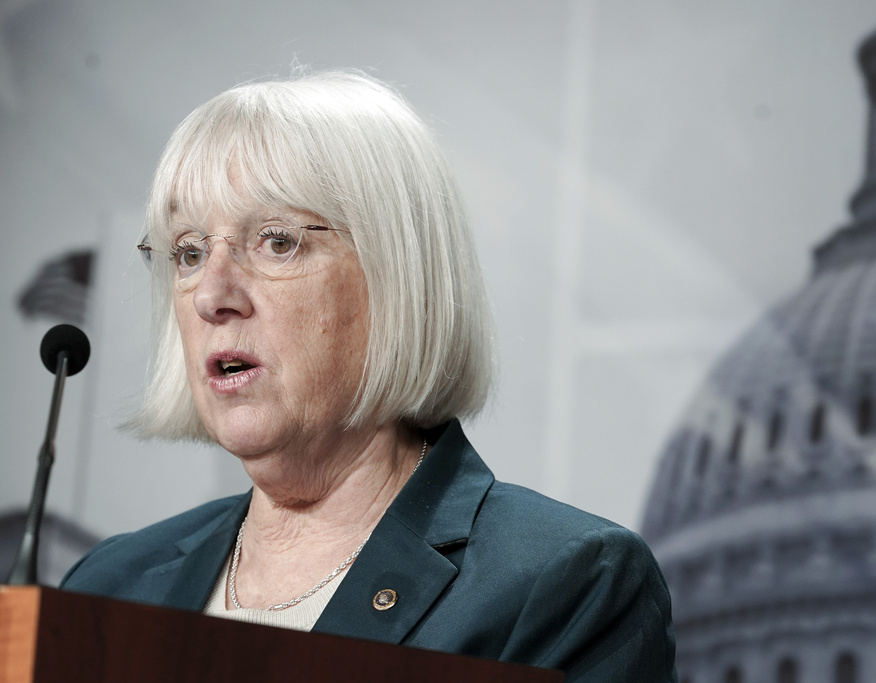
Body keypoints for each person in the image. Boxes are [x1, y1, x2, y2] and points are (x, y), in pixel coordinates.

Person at [60, 71, 677, 682]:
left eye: (276, 242)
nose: (211, 295)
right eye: (190, 252)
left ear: (396, 277)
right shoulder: (108, 586)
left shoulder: (564, 585)